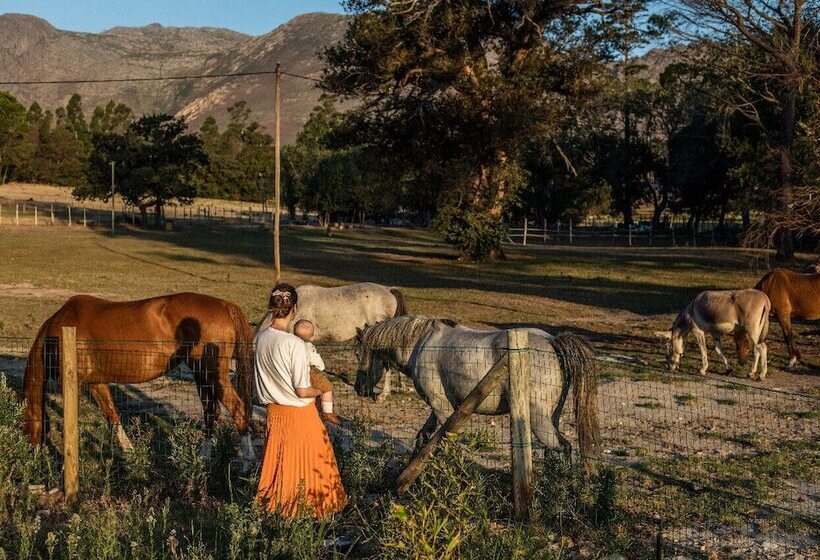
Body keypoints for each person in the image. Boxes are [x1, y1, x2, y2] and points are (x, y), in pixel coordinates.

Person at [254, 283, 347, 517]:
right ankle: (311, 512)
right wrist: (319, 390)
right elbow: (302, 391)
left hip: (274, 413)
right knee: (314, 465)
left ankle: (281, 511)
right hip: (299, 415)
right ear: (294, 309)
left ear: (271, 307)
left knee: (282, 465)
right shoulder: (293, 344)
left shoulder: (261, 338)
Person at [293, 319, 343, 426]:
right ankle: (327, 412)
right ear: (311, 337)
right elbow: (316, 360)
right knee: (327, 387)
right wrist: (321, 367)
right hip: (312, 371)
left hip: (298, 370)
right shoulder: (309, 346)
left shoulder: (292, 345)